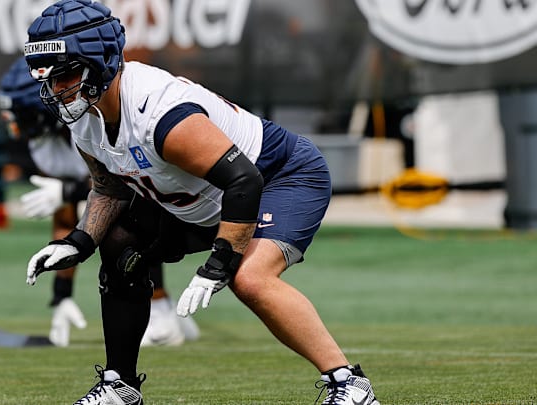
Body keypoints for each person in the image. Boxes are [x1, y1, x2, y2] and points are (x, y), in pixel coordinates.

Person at [22, 1, 380, 404]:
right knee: (120, 242)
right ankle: (119, 386)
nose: (56, 90)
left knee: (249, 278)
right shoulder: (85, 120)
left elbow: (244, 181)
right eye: (48, 78)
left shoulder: (160, 114)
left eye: (66, 74)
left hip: (279, 176)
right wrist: (78, 241)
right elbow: (110, 189)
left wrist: (220, 263)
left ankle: (349, 385)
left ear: (101, 61)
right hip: (203, 196)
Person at [0, 57, 199, 347]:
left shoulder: (92, 119)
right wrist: (62, 293)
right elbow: (66, 218)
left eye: (19, 113)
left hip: (182, 192)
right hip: (150, 196)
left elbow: (132, 182)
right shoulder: (45, 147)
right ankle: (169, 312)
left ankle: (161, 310)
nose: (15, 123)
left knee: (130, 217)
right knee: (108, 218)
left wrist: (68, 191)